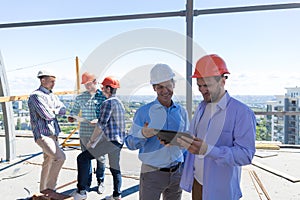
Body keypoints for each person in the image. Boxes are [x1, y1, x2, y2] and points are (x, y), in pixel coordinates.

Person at [178, 54, 256, 200]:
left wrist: (208, 150)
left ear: (222, 81)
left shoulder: (241, 112)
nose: (202, 90)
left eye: (206, 85)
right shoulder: (201, 108)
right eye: (199, 85)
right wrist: (177, 140)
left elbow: (246, 154)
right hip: (197, 184)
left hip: (221, 191)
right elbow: (194, 139)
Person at [125, 64, 189, 200]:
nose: (165, 91)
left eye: (168, 86)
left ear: (174, 84)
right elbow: (130, 144)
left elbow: (187, 142)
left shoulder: (182, 112)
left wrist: (181, 144)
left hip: (177, 173)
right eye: (160, 87)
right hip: (152, 174)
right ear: (154, 88)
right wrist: (143, 134)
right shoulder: (143, 112)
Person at [71, 76, 125, 200]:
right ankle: (117, 195)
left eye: (103, 87)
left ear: (108, 88)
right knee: (115, 167)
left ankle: (81, 192)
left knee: (82, 158)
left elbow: (100, 126)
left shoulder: (107, 103)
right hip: (118, 141)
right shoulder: (119, 103)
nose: (102, 89)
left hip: (110, 141)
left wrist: (92, 142)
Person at [67, 72, 106, 194]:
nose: (87, 87)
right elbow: (74, 111)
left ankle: (100, 181)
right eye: (85, 85)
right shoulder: (80, 97)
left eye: (89, 84)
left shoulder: (103, 96)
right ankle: (86, 184)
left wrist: (99, 120)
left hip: (99, 133)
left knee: (101, 158)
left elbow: (108, 115)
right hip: (84, 132)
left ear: (95, 82)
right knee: (85, 159)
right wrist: (72, 117)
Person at [28, 69, 66, 192]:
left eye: (54, 81)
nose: (53, 84)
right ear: (43, 80)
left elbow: (63, 109)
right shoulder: (36, 96)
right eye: (51, 81)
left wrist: (55, 109)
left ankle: (43, 191)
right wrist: (55, 110)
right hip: (43, 134)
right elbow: (47, 115)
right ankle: (50, 190)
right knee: (59, 157)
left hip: (53, 133)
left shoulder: (51, 95)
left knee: (48, 161)